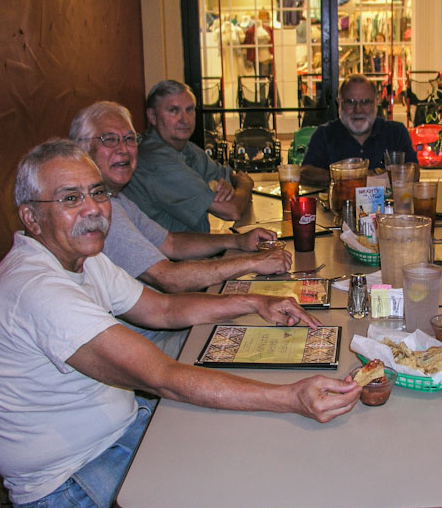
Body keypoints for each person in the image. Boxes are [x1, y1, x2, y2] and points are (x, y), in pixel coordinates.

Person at [0, 139, 361, 508]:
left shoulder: (82, 257)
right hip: (71, 487)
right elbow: (165, 378)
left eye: (97, 192)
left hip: (124, 429)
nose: (93, 208)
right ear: (32, 216)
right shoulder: (39, 290)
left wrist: (255, 303)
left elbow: (164, 307)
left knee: (261, 445)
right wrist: (291, 397)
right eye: (70, 198)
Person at [70, 101, 292, 356]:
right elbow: (170, 279)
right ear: (81, 148)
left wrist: (236, 242)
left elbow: (172, 242)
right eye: (109, 139)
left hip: (168, 325)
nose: (123, 149)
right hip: (149, 344)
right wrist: (252, 263)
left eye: (130, 139)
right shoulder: (97, 214)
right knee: (271, 339)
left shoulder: (116, 199)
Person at [124, 79, 254, 233]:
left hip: (194, 249)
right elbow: (232, 210)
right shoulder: (155, 159)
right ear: (152, 116)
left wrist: (230, 186)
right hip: (168, 255)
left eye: (189, 109)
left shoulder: (187, 148)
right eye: (173, 110)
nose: (184, 119)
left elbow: (229, 176)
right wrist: (245, 183)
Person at [300, 73, 417, 186]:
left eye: (365, 102)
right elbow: (305, 173)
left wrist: (346, 179)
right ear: (339, 103)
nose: (358, 109)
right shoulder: (324, 134)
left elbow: (414, 172)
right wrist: (353, 176)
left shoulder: (396, 132)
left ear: (376, 102)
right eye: (350, 102)